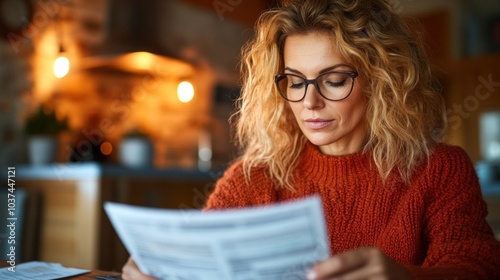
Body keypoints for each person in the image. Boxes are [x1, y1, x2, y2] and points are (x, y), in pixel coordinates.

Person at [122, 0, 500, 279]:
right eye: (296, 82)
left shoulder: (439, 170)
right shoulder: (254, 177)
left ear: (381, 82)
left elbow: (478, 266)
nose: (310, 102)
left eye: (334, 81)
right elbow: (201, 264)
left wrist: (407, 277)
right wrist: (162, 270)